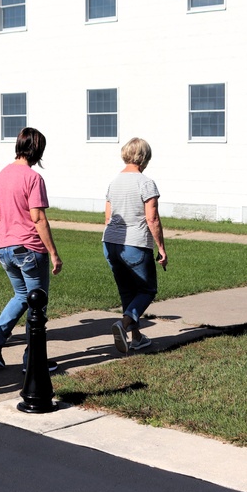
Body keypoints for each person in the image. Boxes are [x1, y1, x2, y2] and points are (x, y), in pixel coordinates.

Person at [0, 128, 62, 370]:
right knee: (38, 304)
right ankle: (33, 361)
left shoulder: (1, 176)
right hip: (29, 249)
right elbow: (38, 218)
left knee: (22, 296)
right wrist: (54, 253)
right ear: (37, 150)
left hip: (5, 248)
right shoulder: (33, 178)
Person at [103, 138, 168, 353]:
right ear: (144, 157)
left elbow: (107, 217)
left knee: (127, 292)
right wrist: (161, 248)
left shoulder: (114, 182)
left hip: (111, 243)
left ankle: (136, 337)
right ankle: (122, 324)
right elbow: (153, 219)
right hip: (135, 244)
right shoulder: (145, 182)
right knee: (147, 289)